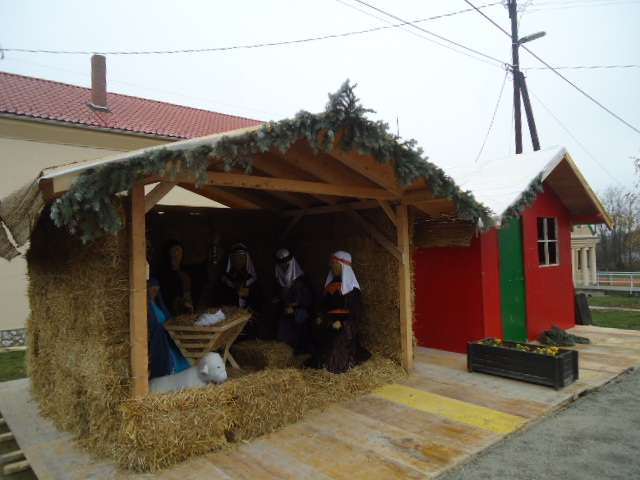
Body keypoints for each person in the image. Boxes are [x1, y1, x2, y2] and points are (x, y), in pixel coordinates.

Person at [304, 251, 371, 373]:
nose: (332, 268)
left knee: (335, 342)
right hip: (328, 323)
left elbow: (356, 315)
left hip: (343, 329)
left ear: (342, 265)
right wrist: (319, 317)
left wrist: (343, 324)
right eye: (331, 265)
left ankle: (334, 366)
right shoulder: (330, 286)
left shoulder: (352, 289)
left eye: (334, 264)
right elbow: (323, 306)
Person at [212, 243, 264, 339]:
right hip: (229, 320)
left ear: (246, 259)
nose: (238, 260)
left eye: (241, 257)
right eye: (236, 257)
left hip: (248, 320)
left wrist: (250, 293)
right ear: (231, 259)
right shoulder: (224, 280)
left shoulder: (252, 279)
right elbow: (218, 299)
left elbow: (260, 299)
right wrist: (235, 295)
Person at [273, 248, 315, 355]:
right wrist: (278, 300)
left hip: (299, 322)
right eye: (280, 266)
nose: (283, 268)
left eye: (285, 266)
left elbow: (309, 304)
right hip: (285, 319)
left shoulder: (302, 282)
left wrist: (295, 309)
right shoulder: (278, 282)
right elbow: (279, 298)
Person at [147, 278, 191, 379]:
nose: (154, 291)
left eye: (156, 289)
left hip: (167, 337)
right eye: (151, 289)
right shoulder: (147, 308)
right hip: (158, 339)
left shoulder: (159, 305)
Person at [158, 239, 195, 316]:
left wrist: (187, 305)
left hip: (180, 314)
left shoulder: (185, 276)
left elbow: (187, 297)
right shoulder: (160, 275)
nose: (177, 255)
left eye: (179, 252)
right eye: (174, 252)